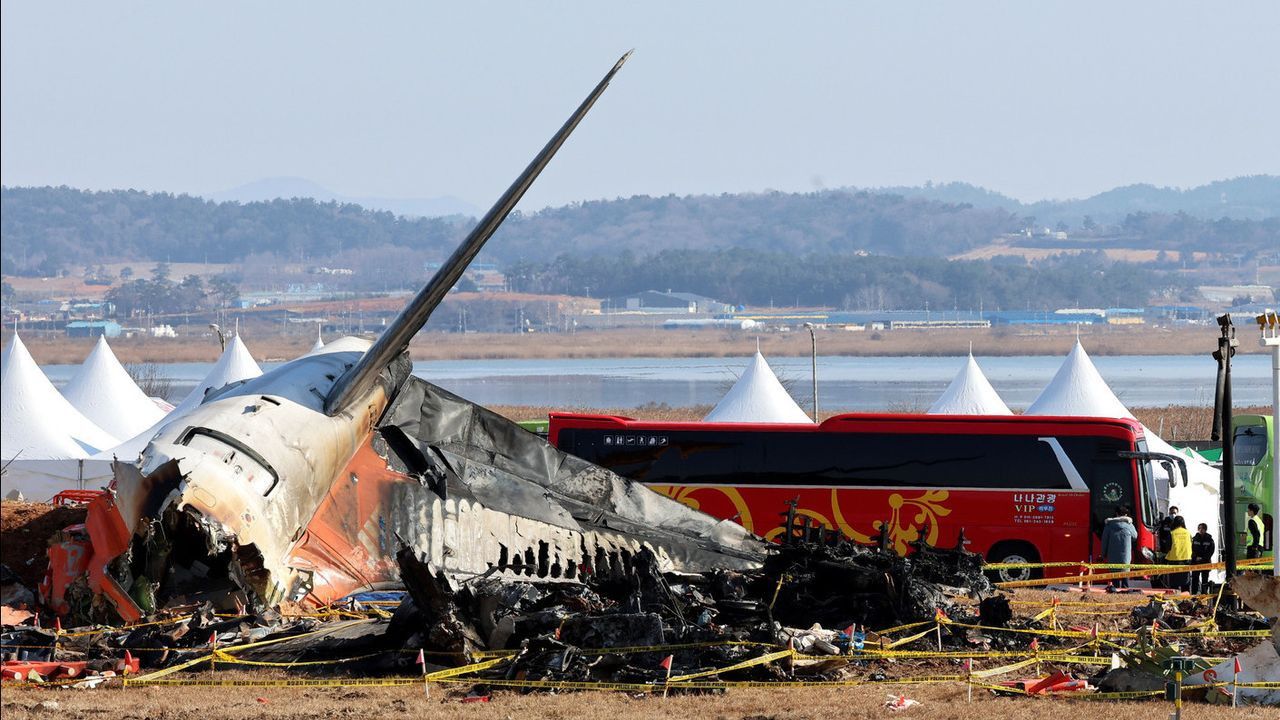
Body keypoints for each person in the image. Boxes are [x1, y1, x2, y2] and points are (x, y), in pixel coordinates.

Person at [1101, 505, 1138, 591]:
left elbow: (1104, 541)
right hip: (1125, 555)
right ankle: (1125, 593)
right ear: (1125, 515)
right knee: (1125, 576)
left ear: (1116, 514)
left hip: (1112, 556)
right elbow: (1135, 536)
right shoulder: (1129, 525)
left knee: (1115, 578)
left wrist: (1103, 554)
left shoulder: (1109, 525)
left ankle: (1115, 593)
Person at [1166, 516, 1191, 591]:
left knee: (1174, 583)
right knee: (1185, 582)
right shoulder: (1188, 533)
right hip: (1186, 559)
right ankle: (1186, 599)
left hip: (1174, 559)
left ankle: (1174, 599)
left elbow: (1168, 547)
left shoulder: (1172, 533)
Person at [1190, 522, 1215, 594]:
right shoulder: (1194, 539)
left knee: (1205, 580)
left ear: (1205, 530)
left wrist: (1203, 558)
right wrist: (1195, 557)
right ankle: (1194, 595)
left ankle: (1204, 595)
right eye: (1199, 528)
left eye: (1203, 529)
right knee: (1195, 579)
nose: (1201, 530)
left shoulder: (1209, 539)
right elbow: (1191, 549)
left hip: (1205, 562)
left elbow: (1211, 551)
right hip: (1195, 562)